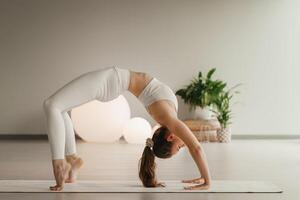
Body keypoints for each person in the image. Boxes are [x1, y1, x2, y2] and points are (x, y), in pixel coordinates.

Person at [43, 66, 211, 191]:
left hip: (111, 81)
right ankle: (72, 159)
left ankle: (59, 163)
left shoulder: (168, 118)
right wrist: (205, 178)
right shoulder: (167, 118)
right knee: (60, 108)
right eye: (181, 148)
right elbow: (194, 147)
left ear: (170, 137)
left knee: (52, 105)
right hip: (113, 80)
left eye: (179, 147)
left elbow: (195, 148)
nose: (183, 145)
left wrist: (207, 181)